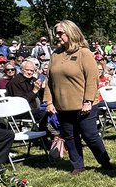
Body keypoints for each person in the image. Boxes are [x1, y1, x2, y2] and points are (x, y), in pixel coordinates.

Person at [44, 20, 112, 175]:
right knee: (70, 136)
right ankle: (77, 165)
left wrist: (88, 101)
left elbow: (92, 79)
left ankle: (104, 161)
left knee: (90, 135)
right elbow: (48, 80)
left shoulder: (84, 53)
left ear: (71, 32)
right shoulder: (56, 54)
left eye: (61, 33)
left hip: (84, 105)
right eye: (57, 33)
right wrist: (48, 101)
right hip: (62, 106)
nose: (58, 36)